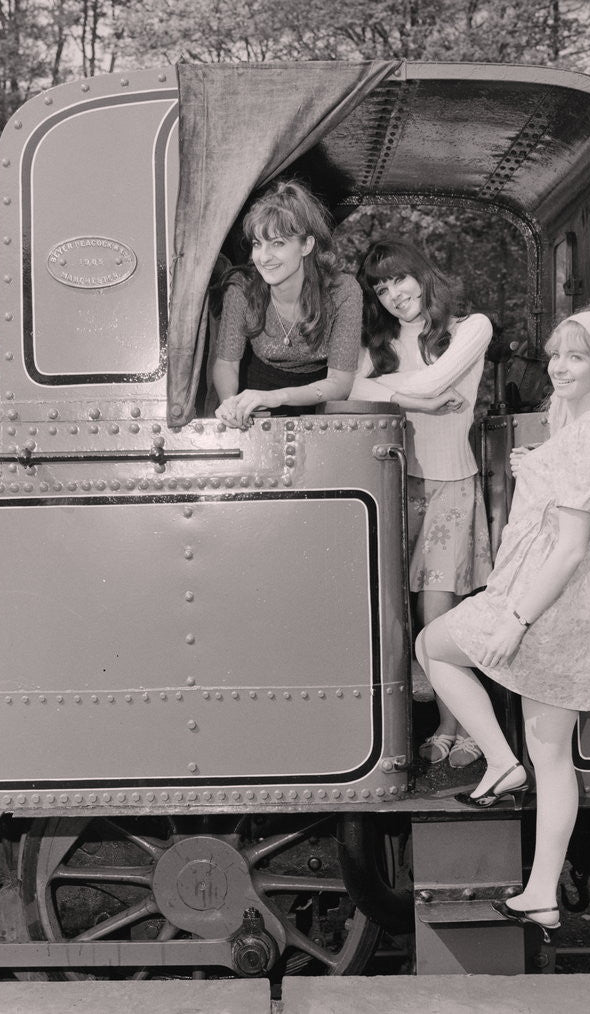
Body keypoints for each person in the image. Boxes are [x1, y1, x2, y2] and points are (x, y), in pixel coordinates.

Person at [416, 301, 590, 941]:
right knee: (553, 757)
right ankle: (541, 894)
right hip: (564, 605)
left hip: (542, 604)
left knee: (434, 646)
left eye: (576, 356)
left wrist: (517, 618)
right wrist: (538, 472)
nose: (558, 366)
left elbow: (577, 546)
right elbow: (584, 534)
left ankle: (499, 762)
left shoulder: (586, 438)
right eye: (556, 354)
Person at [348, 239, 493, 769]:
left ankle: (461, 729)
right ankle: (431, 727)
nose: (392, 295)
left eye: (399, 280)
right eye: (381, 289)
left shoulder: (471, 328)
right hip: (394, 484)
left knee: (439, 616)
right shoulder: (378, 341)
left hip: (451, 483)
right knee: (396, 614)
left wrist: (393, 388)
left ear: (422, 273)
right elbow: (347, 390)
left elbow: (416, 380)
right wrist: (422, 399)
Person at [212, 180, 361, 428]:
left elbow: (340, 384)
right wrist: (231, 405)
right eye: (258, 244)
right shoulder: (242, 289)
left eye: (278, 243)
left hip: (320, 400)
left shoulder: (342, 292)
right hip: (255, 393)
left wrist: (275, 398)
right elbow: (227, 363)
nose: (263, 257)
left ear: (306, 245)